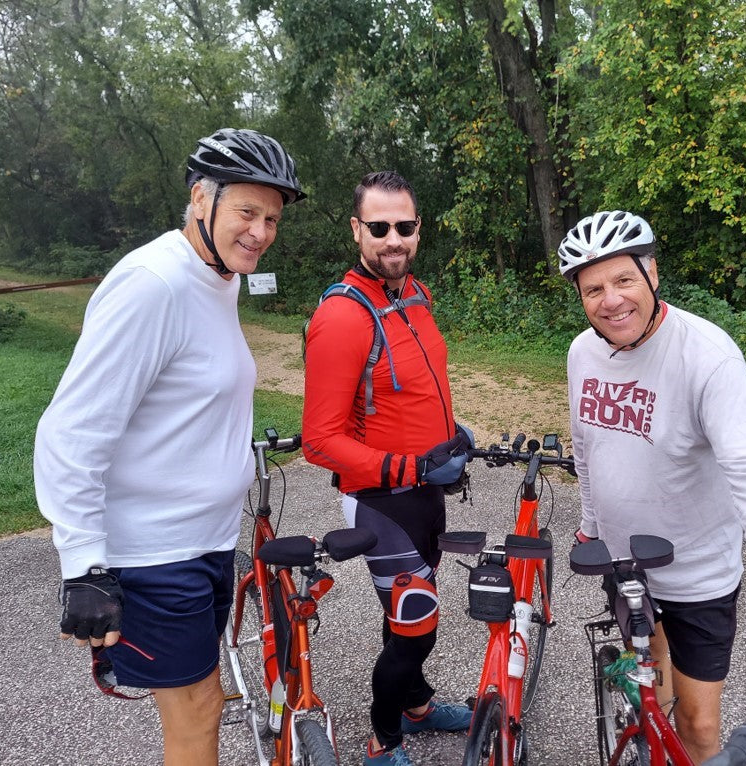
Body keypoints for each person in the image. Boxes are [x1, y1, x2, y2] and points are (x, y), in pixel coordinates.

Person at [34, 128, 305, 766]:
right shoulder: (154, 284)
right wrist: (84, 567)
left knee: (199, 701)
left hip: (204, 542)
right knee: (199, 708)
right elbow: (71, 429)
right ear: (199, 200)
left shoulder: (217, 278)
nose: (261, 231)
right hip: (155, 552)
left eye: (271, 218)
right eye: (247, 212)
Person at [559, 211, 746, 761]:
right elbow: (587, 448)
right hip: (625, 567)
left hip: (696, 577)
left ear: (652, 273)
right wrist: (590, 524)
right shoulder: (582, 352)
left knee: (695, 725)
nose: (610, 300)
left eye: (623, 280)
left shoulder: (707, 355)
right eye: (593, 288)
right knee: (652, 693)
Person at [302, 170, 473, 766]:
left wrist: (450, 436)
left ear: (418, 229)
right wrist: (412, 464)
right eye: (379, 228)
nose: (393, 239)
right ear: (357, 230)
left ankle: (417, 705)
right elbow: (319, 441)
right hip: (382, 500)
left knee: (409, 617)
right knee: (416, 625)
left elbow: (414, 391)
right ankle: (384, 741)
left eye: (404, 227)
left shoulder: (410, 296)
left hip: (423, 490)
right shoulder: (344, 317)